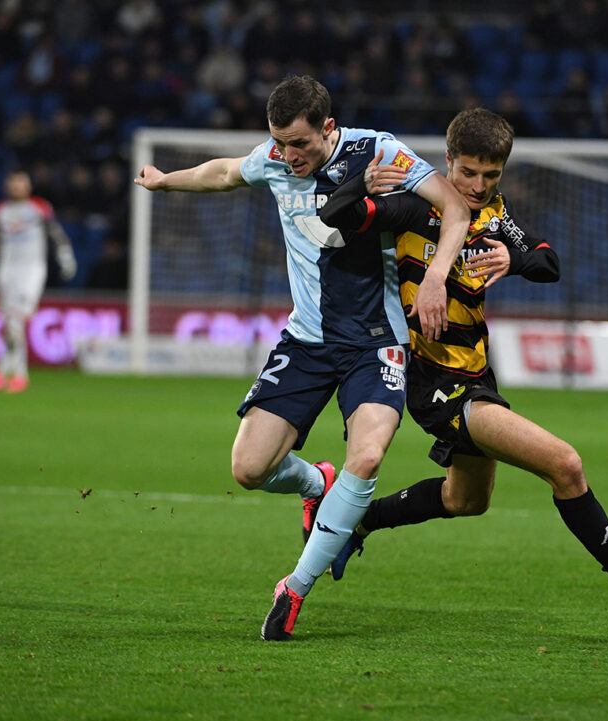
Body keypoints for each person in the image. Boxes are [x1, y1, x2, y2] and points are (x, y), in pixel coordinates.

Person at [318, 108, 608, 621]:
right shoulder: (412, 207)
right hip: (435, 382)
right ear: (447, 160)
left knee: (465, 500)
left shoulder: (495, 215)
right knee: (565, 464)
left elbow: (548, 262)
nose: (477, 185)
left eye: (490, 176)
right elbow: (339, 214)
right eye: (468, 172)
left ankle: (357, 522)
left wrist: (511, 260)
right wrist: (360, 181)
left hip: (477, 375)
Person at [134, 75, 471, 641]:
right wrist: (166, 181)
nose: (287, 156)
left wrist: (436, 277)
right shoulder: (274, 158)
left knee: (367, 457)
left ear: (328, 129)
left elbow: (455, 208)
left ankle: (294, 588)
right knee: (248, 469)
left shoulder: (378, 151)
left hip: (374, 342)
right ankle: (317, 483)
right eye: (279, 143)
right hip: (307, 342)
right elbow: (222, 172)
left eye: (300, 144)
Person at [0, 169, 77, 393]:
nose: (17, 187)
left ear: (28, 186)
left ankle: (19, 375)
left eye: (21, 183)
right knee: (9, 323)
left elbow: (56, 233)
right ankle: (3, 371)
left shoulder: (40, 208)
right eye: (13, 183)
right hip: (5, 271)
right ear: (7, 186)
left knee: (15, 319)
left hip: (31, 271)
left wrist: (65, 255)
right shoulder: (1, 211)